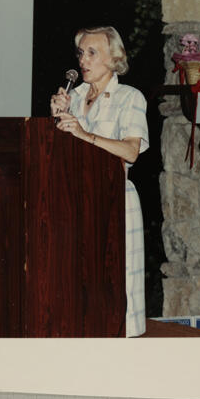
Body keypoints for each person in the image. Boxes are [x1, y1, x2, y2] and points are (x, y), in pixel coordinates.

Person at [50, 26, 149, 337]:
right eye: (81, 53)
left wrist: (83, 133)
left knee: (117, 289)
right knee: (78, 286)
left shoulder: (129, 97)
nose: (83, 60)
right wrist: (55, 121)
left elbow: (131, 151)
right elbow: (59, 156)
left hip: (113, 200)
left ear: (114, 59)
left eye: (92, 53)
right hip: (75, 202)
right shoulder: (73, 97)